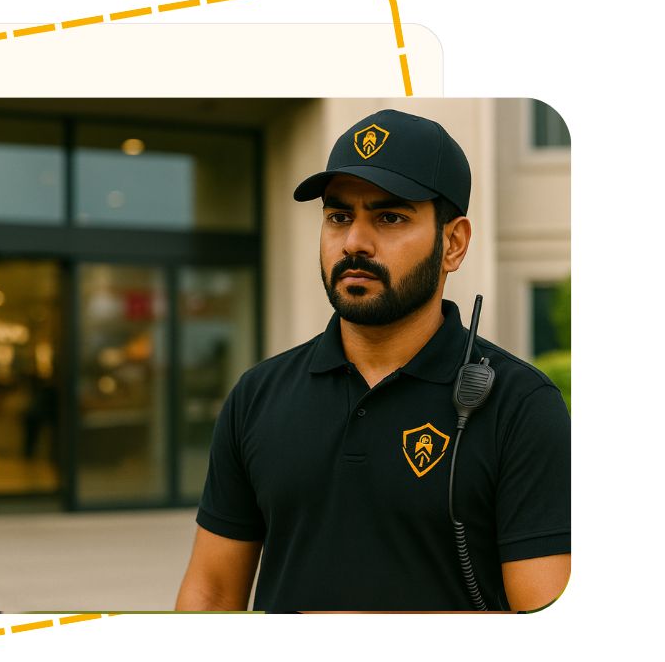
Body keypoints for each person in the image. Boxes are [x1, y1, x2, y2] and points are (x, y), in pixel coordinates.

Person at [174, 109, 570, 613]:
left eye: (390, 217)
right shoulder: (258, 395)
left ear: (453, 243)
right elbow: (211, 592)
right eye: (339, 217)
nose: (354, 242)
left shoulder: (520, 407)